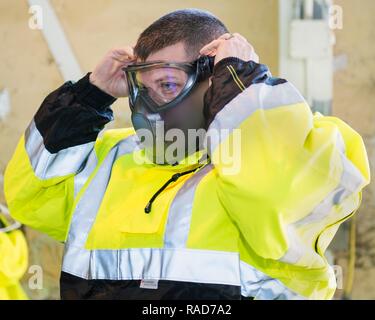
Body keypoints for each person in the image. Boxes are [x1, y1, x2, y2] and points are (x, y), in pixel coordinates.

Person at [4, 8, 370, 300]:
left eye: (166, 85)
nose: (145, 106)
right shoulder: (110, 157)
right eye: (139, 88)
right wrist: (89, 96)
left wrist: (243, 85)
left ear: (213, 79)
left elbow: (273, 200)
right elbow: (28, 195)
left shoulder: (302, 143)